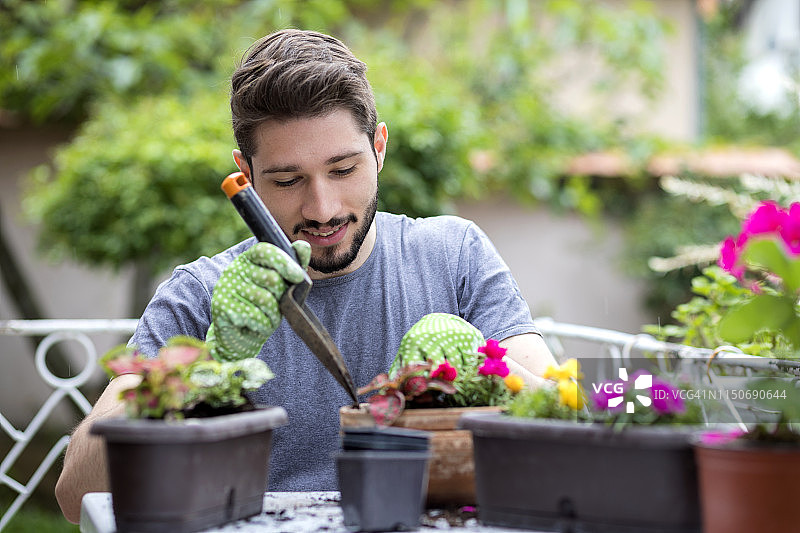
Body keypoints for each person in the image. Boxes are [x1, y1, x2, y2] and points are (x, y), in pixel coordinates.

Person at [55, 28, 557, 523]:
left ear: (379, 147)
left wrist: (484, 365)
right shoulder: (200, 294)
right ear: (246, 174)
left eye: (343, 170)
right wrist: (207, 368)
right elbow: (76, 495)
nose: (322, 208)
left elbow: (559, 423)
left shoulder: (455, 256)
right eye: (287, 180)